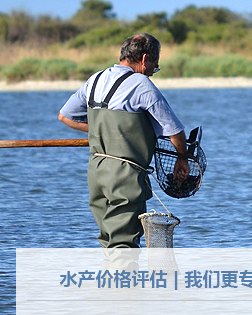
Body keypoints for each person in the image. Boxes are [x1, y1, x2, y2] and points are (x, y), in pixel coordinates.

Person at [58, 33, 189, 248]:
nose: (152, 72)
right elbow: (174, 131)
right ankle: (125, 282)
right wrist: (182, 158)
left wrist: (105, 132)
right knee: (124, 242)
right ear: (145, 59)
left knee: (109, 240)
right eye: (154, 67)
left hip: (96, 172)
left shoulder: (96, 78)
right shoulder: (141, 84)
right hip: (125, 175)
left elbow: (65, 116)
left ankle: (112, 280)